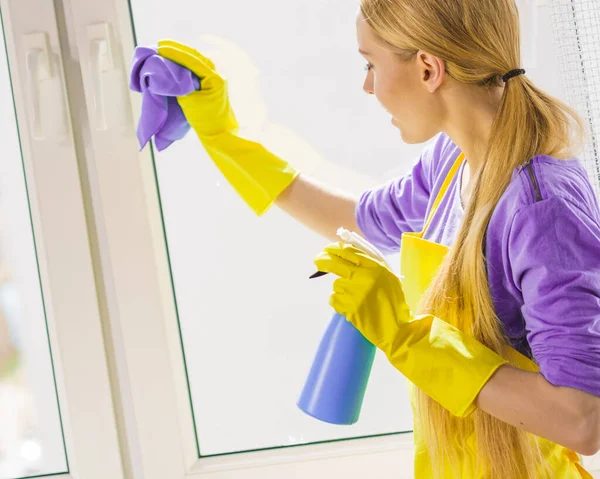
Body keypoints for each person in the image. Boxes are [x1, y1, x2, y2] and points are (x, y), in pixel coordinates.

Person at [156, 0, 600, 476]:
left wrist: (406, 335)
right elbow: (358, 218)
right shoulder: (453, 161)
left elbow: (581, 419)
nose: (367, 86)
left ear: (428, 68)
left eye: (370, 64)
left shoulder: (541, 208)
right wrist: (225, 137)